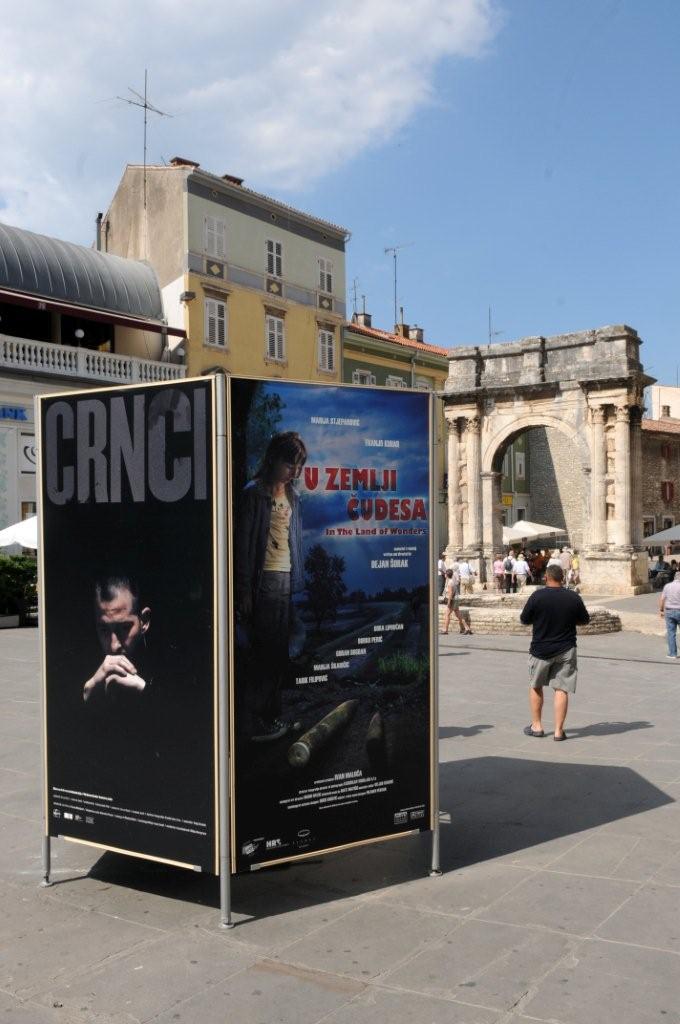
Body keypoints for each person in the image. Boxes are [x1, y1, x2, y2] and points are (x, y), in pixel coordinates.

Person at [235, 431, 307, 742]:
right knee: (264, 654)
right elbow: (242, 546)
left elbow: (294, 541)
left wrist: (297, 579)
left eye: (299, 465)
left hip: (284, 579)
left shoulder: (293, 497)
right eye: (290, 464)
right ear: (274, 459)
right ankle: (254, 723)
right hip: (262, 581)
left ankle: (270, 717)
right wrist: (243, 590)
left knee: (279, 653)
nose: (295, 471)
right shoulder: (254, 494)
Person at [519, 564, 590, 740]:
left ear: (546, 577)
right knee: (562, 689)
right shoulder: (573, 597)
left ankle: (537, 726)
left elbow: (524, 619)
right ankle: (558, 731)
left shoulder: (537, 596)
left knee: (536, 686)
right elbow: (584, 620)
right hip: (566, 649)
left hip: (540, 649)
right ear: (562, 578)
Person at [83, 575, 152, 705]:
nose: (114, 646)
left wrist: (144, 689)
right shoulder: (83, 669)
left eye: (125, 628)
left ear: (144, 621)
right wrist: (88, 692)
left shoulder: (172, 666)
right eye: (104, 629)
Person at [441, 568, 472, 635]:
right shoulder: (452, 581)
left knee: (447, 615)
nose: (445, 575)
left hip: (453, 600)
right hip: (456, 599)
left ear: (447, 575)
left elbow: (450, 593)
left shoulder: (450, 583)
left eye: (445, 573)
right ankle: (467, 628)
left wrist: (449, 602)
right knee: (458, 615)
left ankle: (445, 630)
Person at [659, 570, 680, 659]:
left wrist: (661, 610)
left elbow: (662, 599)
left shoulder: (667, 586)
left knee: (671, 633)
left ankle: (673, 654)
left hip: (669, 611)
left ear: (674, 577)